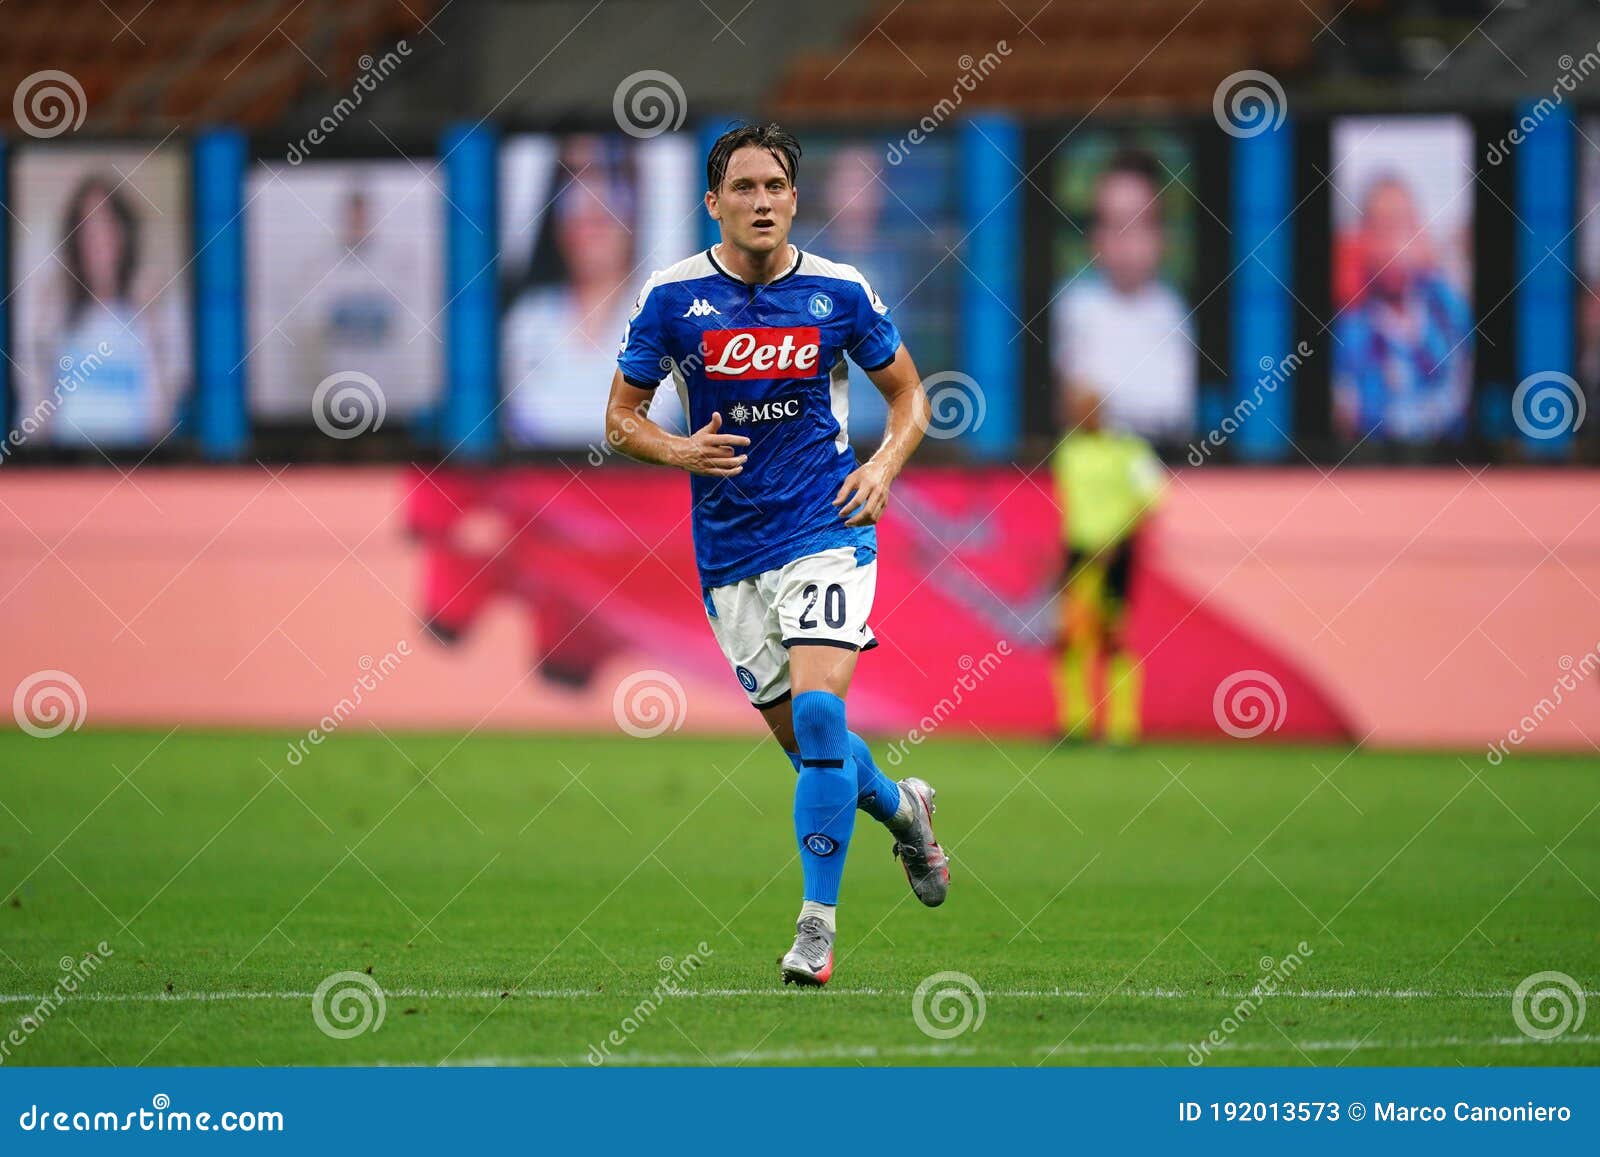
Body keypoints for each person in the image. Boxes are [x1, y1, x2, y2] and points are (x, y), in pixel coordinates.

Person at [603, 122, 948, 987]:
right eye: (744, 188)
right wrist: (678, 450)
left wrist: (883, 464)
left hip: (827, 527)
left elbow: (909, 392)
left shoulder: (838, 291)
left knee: (826, 721)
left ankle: (816, 929)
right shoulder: (672, 299)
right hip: (730, 553)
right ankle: (906, 810)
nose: (761, 202)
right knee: (814, 756)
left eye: (776, 187)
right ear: (713, 202)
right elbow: (620, 418)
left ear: (796, 199)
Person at [506, 136, 683, 446]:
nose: (589, 200)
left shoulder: (671, 320)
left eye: (610, 176)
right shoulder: (524, 322)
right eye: (573, 178)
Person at [1051, 148, 1195, 447]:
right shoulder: (1069, 306)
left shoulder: (1179, 313)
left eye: (1139, 222)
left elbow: (1175, 416)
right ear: (1094, 235)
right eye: (1115, 223)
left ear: (1162, 234)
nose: (1127, 242)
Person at [30, 174, 187, 447]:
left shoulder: (152, 314)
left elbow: (162, 426)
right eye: (86, 229)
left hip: (136, 468)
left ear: (123, 234)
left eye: (105, 226)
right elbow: (35, 424)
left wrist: (151, 327)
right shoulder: (56, 314)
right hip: (64, 472)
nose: (96, 241)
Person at [1053, 387, 1163, 745]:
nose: (1076, 414)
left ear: (1100, 412)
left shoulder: (1129, 449)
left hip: (1117, 552)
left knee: (1115, 638)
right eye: (1073, 408)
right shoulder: (1069, 449)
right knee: (1070, 638)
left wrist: (1118, 539)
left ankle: (1122, 728)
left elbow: (1153, 497)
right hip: (1080, 552)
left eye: (1083, 408)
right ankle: (1076, 724)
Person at [1332, 174, 1473, 444]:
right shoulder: (1348, 332)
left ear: (1420, 231)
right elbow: (1354, 420)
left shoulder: (1449, 305)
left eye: (1404, 226)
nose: (1395, 246)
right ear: (1363, 238)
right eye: (1382, 229)